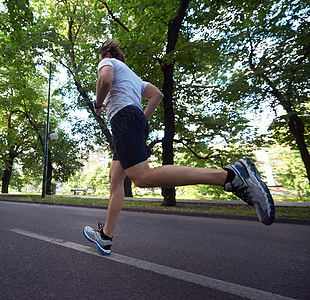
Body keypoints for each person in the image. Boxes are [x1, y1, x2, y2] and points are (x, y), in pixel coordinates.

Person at [83, 39, 275, 256]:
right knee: (115, 179)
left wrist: (98, 104)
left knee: (142, 177)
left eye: (101, 59)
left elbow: (105, 80)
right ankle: (106, 237)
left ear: (107, 54)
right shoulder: (133, 78)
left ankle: (230, 176)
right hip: (131, 122)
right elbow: (157, 95)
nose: (100, 64)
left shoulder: (107, 63)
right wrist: (142, 122)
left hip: (123, 119)